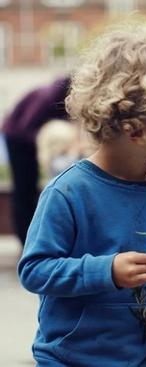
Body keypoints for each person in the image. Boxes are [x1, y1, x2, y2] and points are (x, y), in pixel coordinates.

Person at [17, 22, 146, 366]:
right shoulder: (68, 192)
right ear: (137, 129)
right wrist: (106, 271)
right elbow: (34, 269)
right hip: (71, 359)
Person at [2, 76, 70, 246]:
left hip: (24, 140)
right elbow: (26, 127)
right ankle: (24, 240)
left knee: (30, 189)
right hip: (17, 139)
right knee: (23, 189)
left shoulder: (55, 99)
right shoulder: (46, 98)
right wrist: (45, 143)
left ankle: (29, 239)